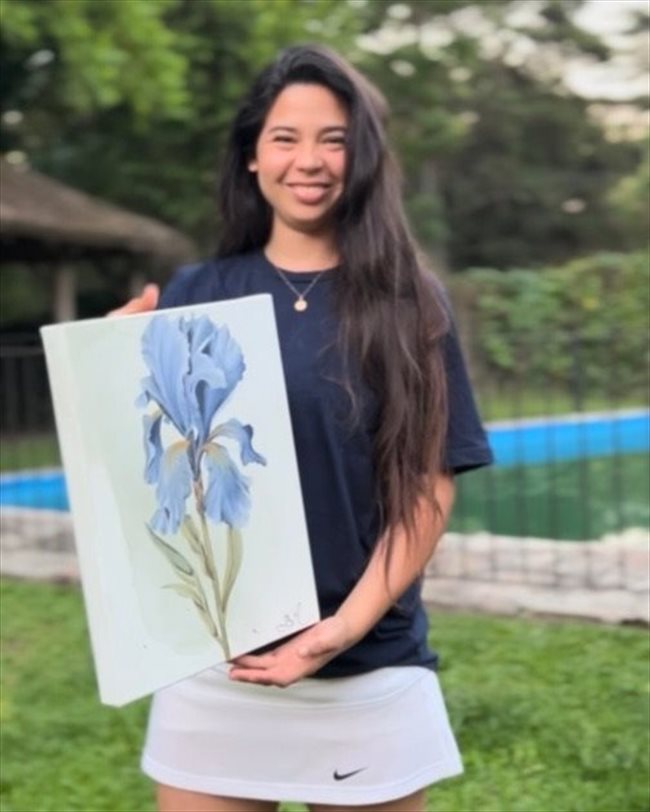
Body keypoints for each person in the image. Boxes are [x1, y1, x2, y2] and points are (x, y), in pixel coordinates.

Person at [114, 44, 492, 812]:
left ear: (365, 158)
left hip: (367, 669)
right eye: (285, 137)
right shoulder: (197, 292)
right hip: (216, 668)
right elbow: (146, 472)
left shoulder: (409, 301)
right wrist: (112, 369)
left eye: (334, 139)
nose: (309, 160)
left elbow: (427, 485)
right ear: (252, 155)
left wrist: (341, 629)